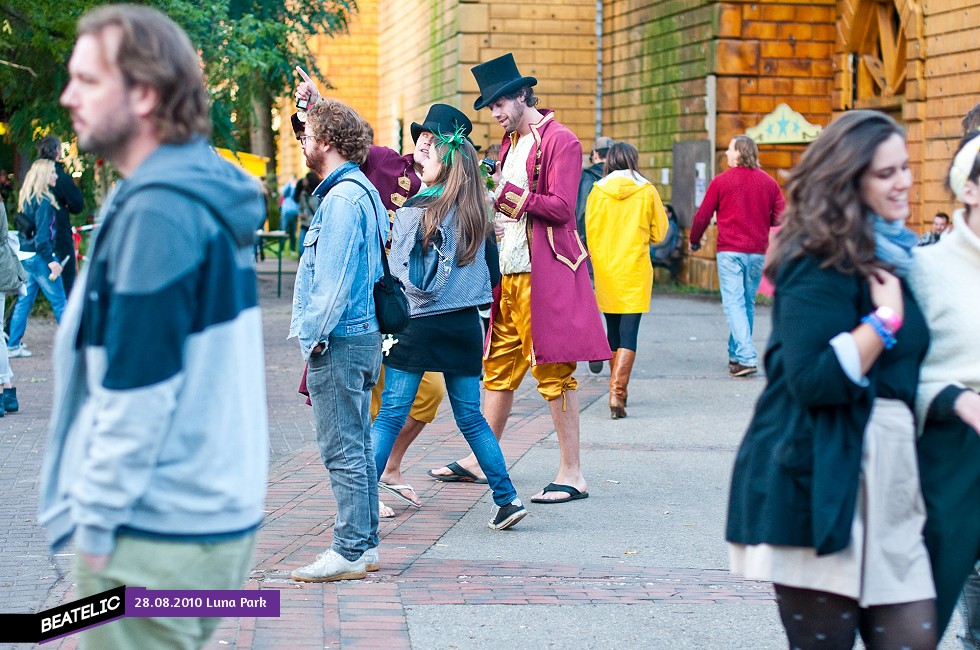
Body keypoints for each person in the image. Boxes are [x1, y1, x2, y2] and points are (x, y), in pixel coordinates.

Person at [39, 6, 268, 649]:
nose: (67, 97)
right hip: (202, 524)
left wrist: (95, 522)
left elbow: (138, 393)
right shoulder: (194, 191)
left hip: (154, 530)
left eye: (86, 80)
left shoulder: (161, 211)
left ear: (143, 93)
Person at [726, 110, 936, 649]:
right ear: (850, 179)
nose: (905, 182)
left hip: (890, 478)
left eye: (905, 168)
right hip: (818, 471)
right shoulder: (816, 261)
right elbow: (812, 378)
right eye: (887, 173)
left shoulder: (898, 256)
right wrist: (883, 322)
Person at [429, 53, 611, 503]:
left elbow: (564, 209)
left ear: (520, 95)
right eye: (489, 107)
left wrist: (508, 195)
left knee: (552, 371)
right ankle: (480, 458)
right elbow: (516, 208)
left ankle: (572, 471)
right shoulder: (510, 145)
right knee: (498, 368)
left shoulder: (561, 140)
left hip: (543, 272)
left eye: (497, 105)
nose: (493, 114)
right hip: (509, 271)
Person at [295, 72, 474, 514]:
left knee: (426, 395)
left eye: (435, 141)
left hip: (412, 313)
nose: (424, 146)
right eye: (422, 137)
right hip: (366, 304)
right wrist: (317, 103)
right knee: (361, 400)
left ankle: (387, 468)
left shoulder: (447, 192)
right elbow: (339, 137)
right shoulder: (383, 163)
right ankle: (363, 488)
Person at [372, 129, 527, 530]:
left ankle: (361, 497)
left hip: (419, 325)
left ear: (445, 164)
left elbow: (402, 269)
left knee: (391, 414)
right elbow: (491, 272)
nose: (424, 160)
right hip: (463, 326)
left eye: (431, 157)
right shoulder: (477, 211)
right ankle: (507, 498)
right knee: (472, 418)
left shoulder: (417, 207)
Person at [288, 97, 386, 583]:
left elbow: (333, 281)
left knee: (342, 449)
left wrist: (312, 337)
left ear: (325, 141)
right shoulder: (358, 191)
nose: (302, 141)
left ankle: (349, 548)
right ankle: (363, 546)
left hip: (341, 340)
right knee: (358, 446)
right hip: (358, 336)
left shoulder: (344, 200)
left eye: (306, 134)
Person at [907, 131, 980, 637]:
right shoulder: (923, 269)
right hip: (950, 455)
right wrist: (953, 397)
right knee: (920, 622)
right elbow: (888, 380)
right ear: (969, 189)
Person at [585, 141, 668, 419]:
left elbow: (590, 232)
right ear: (633, 160)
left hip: (608, 269)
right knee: (630, 334)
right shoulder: (647, 191)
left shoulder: (597, 192)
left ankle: (615, 390)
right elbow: (660, 233)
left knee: (613, 331)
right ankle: (616, 393)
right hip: (635, 269)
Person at [689, 135, 785, 377]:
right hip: (756, 252)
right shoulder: (769, 183)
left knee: (734, 303)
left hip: (730, 251)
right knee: (746, 303)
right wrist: (764, 220)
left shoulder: (722, 181)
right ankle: (736, 356)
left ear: (740, 153)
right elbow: (781, 217)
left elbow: (702, 216)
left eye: (730, 150)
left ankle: (746, 356)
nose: (727, 154)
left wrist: (694, 240)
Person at [7, 158, 67, 358]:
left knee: (24, 301)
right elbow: (42, 238)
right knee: (59, 301)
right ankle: (73, 345)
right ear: (44, 176)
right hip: (40, 257)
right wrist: (51, 261)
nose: (56, 176)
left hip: (25, 255)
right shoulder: (45, 203)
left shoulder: (28, 199)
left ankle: (13, 345)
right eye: (52, 172)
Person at [36, 135, 84, 296]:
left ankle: (10, 321)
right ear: (57, 151)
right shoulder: (58, 176)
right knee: (67, 282)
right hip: (59, 234)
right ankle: (68, 319)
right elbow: (77, 204)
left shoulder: (34, 176)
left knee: (31, 286)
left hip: (34, 235)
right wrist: (64, 204)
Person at [576, 135, 613, 246]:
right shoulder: (621, 178)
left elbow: (581, 212)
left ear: (595, 154)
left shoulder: (585, 177)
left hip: (591, 243)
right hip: (615, 243)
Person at [279, 176, 300, 251]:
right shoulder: (288, 189)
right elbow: (282, 192)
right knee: (283, 230)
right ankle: (281, 248)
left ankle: (292, 249)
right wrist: (289, 183)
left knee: (293, 232)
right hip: (286, 212)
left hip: (294, 213)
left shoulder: (297, 189)